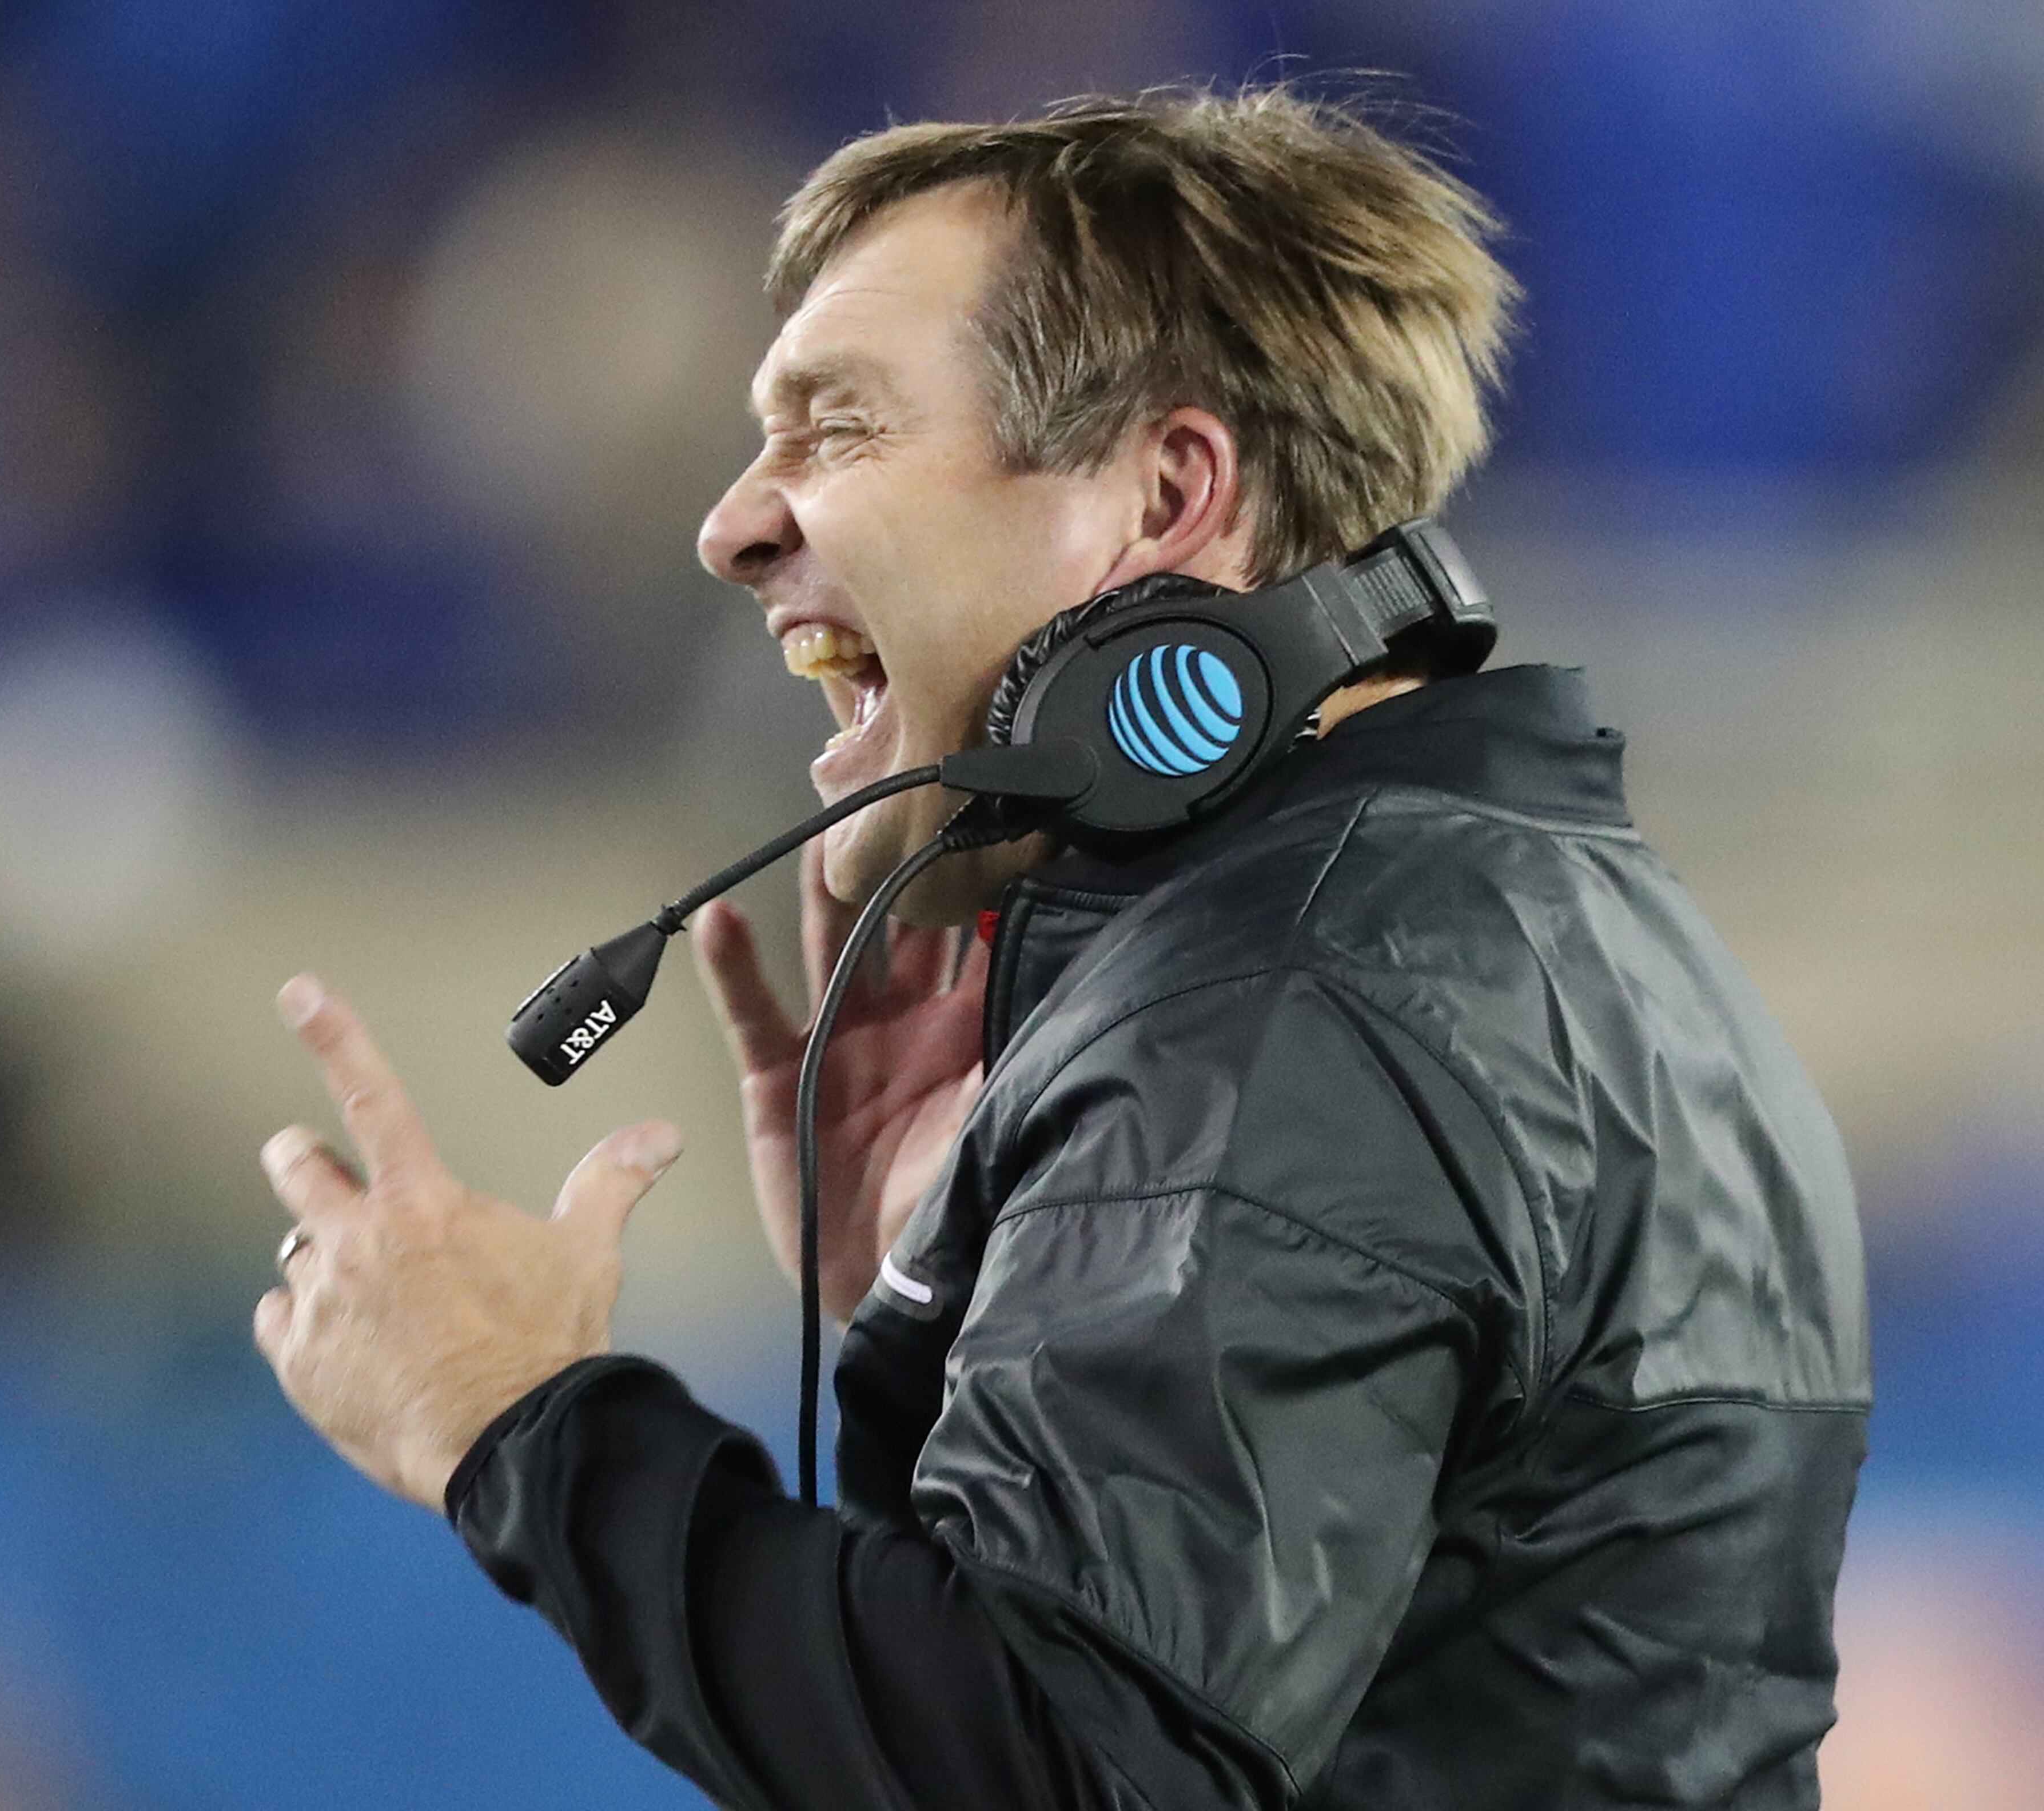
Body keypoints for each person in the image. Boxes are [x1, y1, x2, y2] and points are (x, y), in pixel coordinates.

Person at [252, 89, 1870, 1809]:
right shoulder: (1539, 912)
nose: (733, 525)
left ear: (1165, 493)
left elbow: (1059, 1766)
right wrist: (956, 1301)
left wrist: (517, 1418)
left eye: (838, 429)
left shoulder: (1291, 1000)